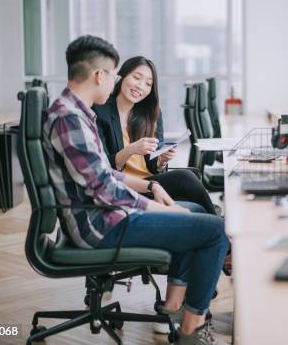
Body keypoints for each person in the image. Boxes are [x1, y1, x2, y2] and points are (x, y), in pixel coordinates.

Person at [42, 35, 228, 345]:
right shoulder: (70, 119)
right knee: (215, 230)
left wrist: (151, 186)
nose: (116, 81)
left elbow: (107, 173)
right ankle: (190, 333)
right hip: (99, 225)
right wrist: (164, 209)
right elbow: (106, 189)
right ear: (100, 76)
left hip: (104, 214)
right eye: (116, 74)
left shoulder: (77, 112)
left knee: (195, 213)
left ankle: (175, 311)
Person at [93, 56, 215, 214]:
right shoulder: (100, 112)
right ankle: (220, 224)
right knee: (186, 178)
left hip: (151, 183)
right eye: (136, 78)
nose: (140, 86)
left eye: (148, 83)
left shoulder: (151, 114)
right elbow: (104, 167)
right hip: (125, 186)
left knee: (190, 186)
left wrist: (161, 162)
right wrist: (131, 150)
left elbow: (153, 165)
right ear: (122, 76)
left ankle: (218, 224)